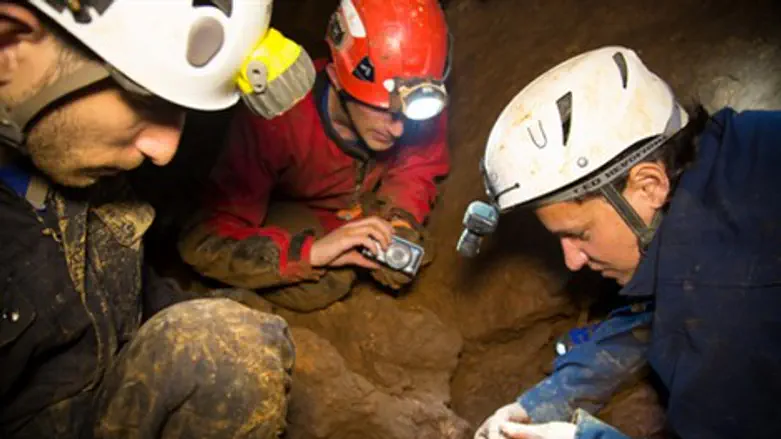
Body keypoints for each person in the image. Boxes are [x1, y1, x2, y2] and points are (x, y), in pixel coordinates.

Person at [0, 1, 316, 437]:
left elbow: (137, 302)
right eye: (148, 99)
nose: (165, 151)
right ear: (9, 44)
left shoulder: (83, 180)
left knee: (230, 342)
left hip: (96, 401)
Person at [470, 45, 781, 439]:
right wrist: (540, 403)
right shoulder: (732, 147)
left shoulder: (726, 318)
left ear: (648, 185)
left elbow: (698, 307)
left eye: (579, 234)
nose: (572, 261)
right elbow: (659, 311)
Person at [178, 0, 451, 312]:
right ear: (336, 78)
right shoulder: (278, 119)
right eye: (384, 111)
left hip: (353, 209)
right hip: (289, 212)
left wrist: (400, 218)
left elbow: (419, 166)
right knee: (326, 282)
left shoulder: (419, 98)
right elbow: (203, 239)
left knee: (404, 260)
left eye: (408, 116)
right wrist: (310, 253)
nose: (399, 130)